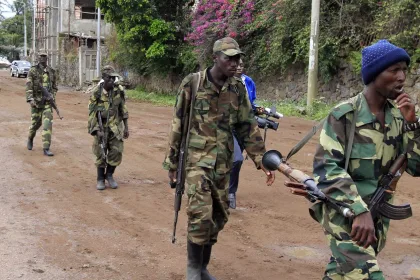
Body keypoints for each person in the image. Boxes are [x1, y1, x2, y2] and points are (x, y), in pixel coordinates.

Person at [163, 37, 275, 280]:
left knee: (218, 216)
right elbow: (177, 124)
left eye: (237, 58)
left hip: (222, 163)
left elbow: (247, 127)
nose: (235, 63)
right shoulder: (193, 83)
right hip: (196, 162)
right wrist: (172, 163)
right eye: (229, 58)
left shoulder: (237, 89)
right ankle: (193, 269)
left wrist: (261, 160)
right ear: (215, 58)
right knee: (200, 214)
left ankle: (203, 266)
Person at [312, 40, 420, 279]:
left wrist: (413, 124)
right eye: (394, 70)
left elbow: (416, 166)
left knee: (343, 272)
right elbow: (326, 167)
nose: (402, 77)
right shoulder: (344, 115)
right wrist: (359, 210)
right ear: (373, 74)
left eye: (404, 70)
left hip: (377, 215)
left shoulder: (399, 118)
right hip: (344, 212)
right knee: (367, 274)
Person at [228, 58, 264, 209]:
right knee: (236, 159)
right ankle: (229, 193)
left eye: (241, 64)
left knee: (236, 160)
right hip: (222, 128)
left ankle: (229, 191)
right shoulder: (213, 82)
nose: (238, 67)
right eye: (236, 64)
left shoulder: (247, 82)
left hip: (241, 123)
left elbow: (250, 104)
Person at [88, 65, 129, 190]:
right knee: (100, 152)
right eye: (110, 78)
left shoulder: (118, 91)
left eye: (114, 78)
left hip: (115, 127)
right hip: (101, 128)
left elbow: (123, 109)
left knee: (116, 151)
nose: (112, 81)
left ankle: (109, 175)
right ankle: (100, 178)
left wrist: (126, 127)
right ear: (104, 78)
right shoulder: (96, 92)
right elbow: (91, 112)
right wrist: (95, 129)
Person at [26, 51, 58, 156]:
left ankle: (46, 148)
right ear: (38, 58)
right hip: (36, 101)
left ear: (47, 58)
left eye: (44, 56)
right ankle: (30, 138)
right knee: (35, 124)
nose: (43, 58)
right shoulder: (33, 70)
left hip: (47, 102)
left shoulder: (52, 71)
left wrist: (52, 96)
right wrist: (30, 99)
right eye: (41, 56)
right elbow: (29, 86)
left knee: (47, 124)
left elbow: (54, 87)